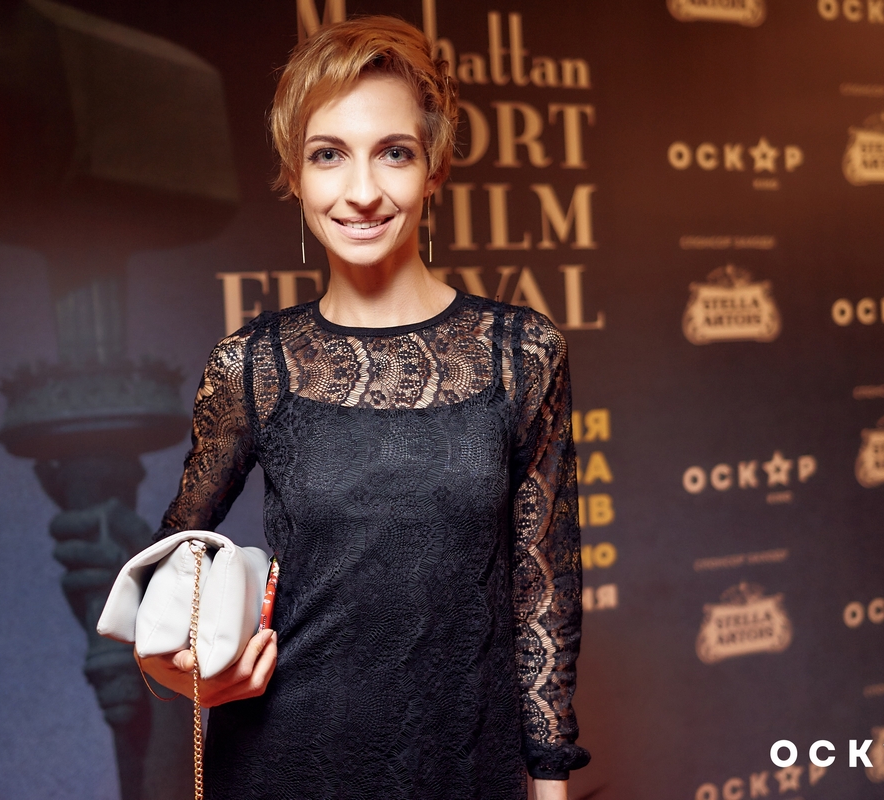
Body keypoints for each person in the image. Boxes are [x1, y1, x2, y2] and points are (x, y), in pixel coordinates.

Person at [138, 15, 589, 800]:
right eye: (328, 155)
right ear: (295, 174)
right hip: (283, 766)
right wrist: (181, 672)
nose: (362, 191)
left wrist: (549, 784)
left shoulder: (523, 353)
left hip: (463, 770)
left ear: (435, 168)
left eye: (394, 152)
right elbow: (164, 567)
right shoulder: (253, 364)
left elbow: (542, 593)